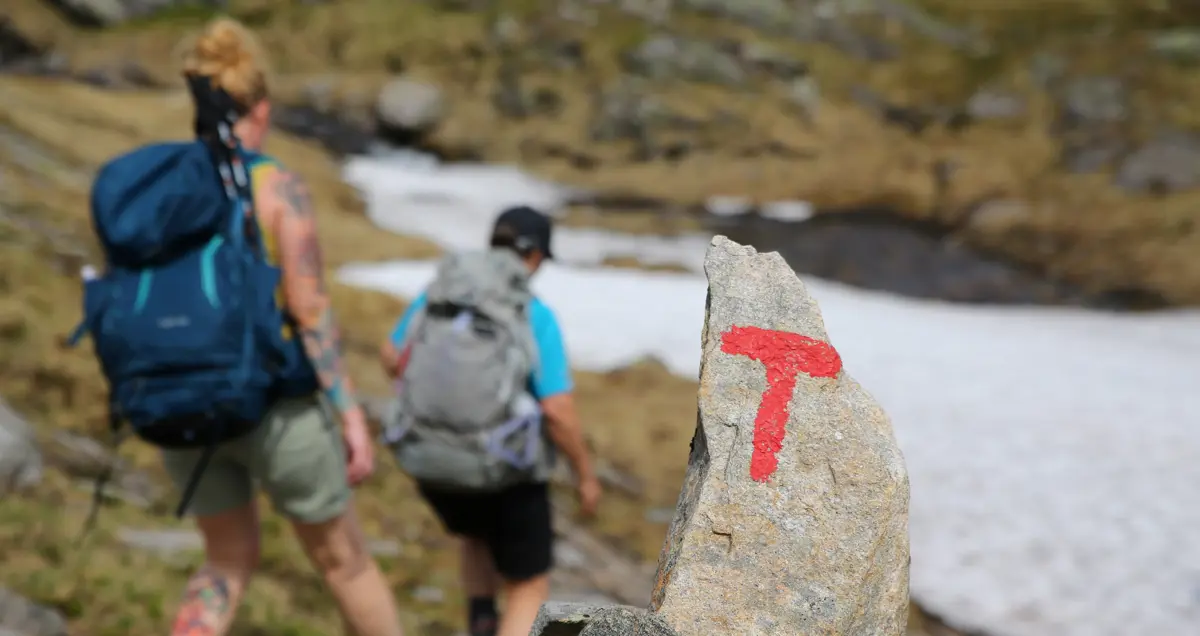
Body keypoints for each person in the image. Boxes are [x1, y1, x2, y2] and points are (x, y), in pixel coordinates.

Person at [154, 19, 406, 636]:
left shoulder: (164, 187)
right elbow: (309, 309)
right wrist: (348, 412)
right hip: (274, 407)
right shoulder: (278, 189)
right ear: (260, 109)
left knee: (224, 560)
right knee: (345, 563)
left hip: (180, 400)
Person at [380, 206, 602, 636]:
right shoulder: (533, 313)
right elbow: (557, 411)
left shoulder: (440, 294)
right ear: (535, 256)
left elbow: (392, 356)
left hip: (434, 461)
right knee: (528, 583)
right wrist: (585, 475)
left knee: (474, 534)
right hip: (505, 471)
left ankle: (481, 621)